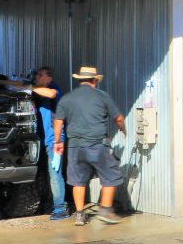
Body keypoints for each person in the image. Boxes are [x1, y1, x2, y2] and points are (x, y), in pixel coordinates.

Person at [52, 66, 127, 226]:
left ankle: (80, 215)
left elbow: (58, 121)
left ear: (80, 80)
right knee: (111, 175)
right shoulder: (102, 96)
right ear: (94, 81)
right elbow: (119, 118)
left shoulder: (67, 98)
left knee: (77, 180)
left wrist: (57, 141)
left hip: (74, 147)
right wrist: (123, 129)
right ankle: (105, 210)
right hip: (97, 144)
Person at [33, 67, 66, 220]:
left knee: (55, 174)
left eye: (41, 75)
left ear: (49, 77)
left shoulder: (54, 89)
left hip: (55, 140)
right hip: (42, 139)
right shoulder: (39, 92)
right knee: (45, 174)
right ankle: (49, 203)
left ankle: (61, 208)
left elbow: (51, 94)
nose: (37, 77)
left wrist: (30, 87)